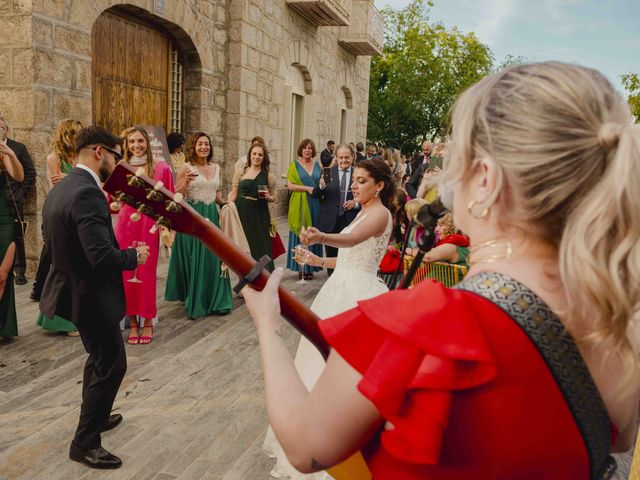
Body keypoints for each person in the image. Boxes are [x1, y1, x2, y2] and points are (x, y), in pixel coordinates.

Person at [242, 62, 640, 478]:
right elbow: (620, 438)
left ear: (485, 180)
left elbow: (306, 448)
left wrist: (268, 327)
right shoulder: (617, 322)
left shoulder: (419, 323)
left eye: (458, 162)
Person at [262, 159, 395, 479]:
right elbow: (350, 259)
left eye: (362, 181)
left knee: (339, 364)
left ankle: (334, 441)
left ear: (379, 185)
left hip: (358, 296)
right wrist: (317, 259)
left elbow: (351, 242)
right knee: (316, 359)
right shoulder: (363, 211)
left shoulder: (379, 214)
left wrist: (320, 235)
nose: (355, 185)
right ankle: (312, 433)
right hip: (341, 288)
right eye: (356, 180)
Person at [40, 126, 150, 469]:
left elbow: (52, 240)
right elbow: (100, 255)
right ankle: (84, 442)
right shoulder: (87, 192)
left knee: (99, 359)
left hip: (73, 291)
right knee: (113, 364)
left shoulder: (63, 187)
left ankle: (98, 417)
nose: (118, 164)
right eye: (116, 156)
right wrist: (135, 257)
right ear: (99, 152)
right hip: (90, 297)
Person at [114, 127, 175, 345]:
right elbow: (112, 198)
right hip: (125, 224)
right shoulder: (121, 167)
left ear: (147, 143)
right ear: (126, 144)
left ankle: (147, 321)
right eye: (131, 141)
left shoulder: (160, 168)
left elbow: (168, 198)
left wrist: (166, 226)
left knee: (146, 273)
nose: (136, 145)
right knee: (126, 273)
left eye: (140, 141)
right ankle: (132, 323)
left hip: (148, 224)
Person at [165, 132, 232, 318]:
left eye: (207, 144)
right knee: (196, 258)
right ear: (193, 147)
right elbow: (176, 195)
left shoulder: (216, 167)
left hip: (212, 215)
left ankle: (216, 300)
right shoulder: (186, 168)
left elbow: (215, 193)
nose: (204, 147)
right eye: (200, 144)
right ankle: (197, 300)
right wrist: (185, 181)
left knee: (213, 258)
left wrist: (226, 205)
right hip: (193, 216)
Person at [35, 118, 83, 336]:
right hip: (60, 215)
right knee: (62, 265)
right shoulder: (55, 157)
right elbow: (57, 187)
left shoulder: (82, 156)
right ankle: (60, 319)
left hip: (79, 214)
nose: (79, 137)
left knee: (77, 265)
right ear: (66, 134)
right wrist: (73, 178)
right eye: (76, 133)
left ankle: (76, 314)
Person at [312, 143, 359, 276]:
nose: (344, 160)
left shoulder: (358, 173)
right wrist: (321, 185)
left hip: (351, 222)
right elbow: (315, 194)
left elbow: (367, 198)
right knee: (331, 256)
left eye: (347, 157)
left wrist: (355, 204)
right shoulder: (327, 172)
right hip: (330, 222)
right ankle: (332, 282)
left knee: (349, 256)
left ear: (353, 157)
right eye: (341, 157)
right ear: (336, 158)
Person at [228, 142, 277, 271]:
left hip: (259, 214)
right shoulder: (240, 172)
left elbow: (274, 197)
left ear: (264, 157)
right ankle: (245, 279)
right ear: (250, 155)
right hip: (242, 212)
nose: (257, 157)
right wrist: (226, 206)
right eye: (254, 154)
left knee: (261, 246)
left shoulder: (269, 176)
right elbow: (234, 193)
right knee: (244, 247)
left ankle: (263, 277)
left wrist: (268, 197)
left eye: (260, 154)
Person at [0, 116, 35, 286]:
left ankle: (20, 270)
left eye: (2, 127)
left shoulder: (17, 148)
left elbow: (27, 174)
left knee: (17, 235)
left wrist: (21, 194)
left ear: (6, 129)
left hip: (12, 200)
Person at [286, 138, 323, 279]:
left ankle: (311, 267)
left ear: (312, 150)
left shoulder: (317, 165)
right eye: (305, 148)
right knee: (300, 233)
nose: (307, 150)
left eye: (310, 148)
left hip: (314, 202)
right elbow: (290, 185)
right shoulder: (294, 165)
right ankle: (300, 266)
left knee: (312, 233)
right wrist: (307, 188)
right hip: (299, 203)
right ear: (300, 150)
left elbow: (320, 183)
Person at [0, 139, 24, 338]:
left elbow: (18, 176)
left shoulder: (2, 153)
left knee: (2, 276)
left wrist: (10, 153)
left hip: (3, 217)